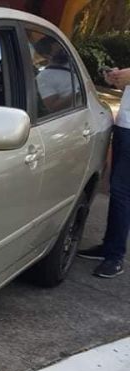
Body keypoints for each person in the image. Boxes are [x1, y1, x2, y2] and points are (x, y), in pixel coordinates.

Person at [78, 67, 130, 278]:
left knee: (121, 191)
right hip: (124, 124)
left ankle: (115, 256)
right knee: (116, 189)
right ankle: (109, 247)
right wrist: (118, 78)